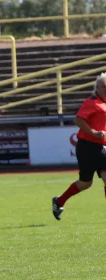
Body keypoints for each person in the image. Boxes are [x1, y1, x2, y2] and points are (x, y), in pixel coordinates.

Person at [53, 73, 106, 220]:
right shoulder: (92, 102)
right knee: (85, 183)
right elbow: (78, 120)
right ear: (97, 88)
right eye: (103, 86)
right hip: (87, 147)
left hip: (102, 147)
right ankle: (59, 201)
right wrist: (94, 132)